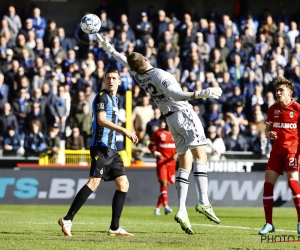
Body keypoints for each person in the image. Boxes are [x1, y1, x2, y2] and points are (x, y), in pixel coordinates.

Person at [97, 34, 222, 234]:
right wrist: (200, 93)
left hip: (170, 119)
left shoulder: (138, 74)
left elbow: (122, 59)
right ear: (146, 59)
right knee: (201, 156)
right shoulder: (160, 75)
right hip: (184, 113)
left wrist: (110, 48)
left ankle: (182, 209)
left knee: (185, 162)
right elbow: (176, 95)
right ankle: (204, 201)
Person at [58, 68, 138, 237]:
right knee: (94, 182)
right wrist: (124, 131)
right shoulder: (101, 97)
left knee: (123, 184)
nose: (111, 81)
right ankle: (68, 219)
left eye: (114, 78)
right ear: (104, 80)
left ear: (119, 81)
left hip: (112, 149)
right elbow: (101, 120)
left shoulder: (116, 99)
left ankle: (114, 227)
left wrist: (129, 130)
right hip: (100, 148)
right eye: (108, 78)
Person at [259, 77, 300, 235]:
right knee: (268, 183)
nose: (278, 93)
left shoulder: (297, 108)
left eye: (281, 90)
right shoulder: (273, 108)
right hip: (276, 152)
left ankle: (299, 221)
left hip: (292, 151)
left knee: (293, 184)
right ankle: (269, 224)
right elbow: (267, 130)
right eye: (277, 90)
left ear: (290, 92)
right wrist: (270, 134)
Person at [148, 119, 177, 216]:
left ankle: (157, 209)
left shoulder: (176, 134)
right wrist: (156, 153)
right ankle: (166, 206)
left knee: (165, 187)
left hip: (171, 163)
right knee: (163, 183)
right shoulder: (159, 133)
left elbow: (181, 146)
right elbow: (150, 146)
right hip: (162, 162)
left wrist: (177, 155)